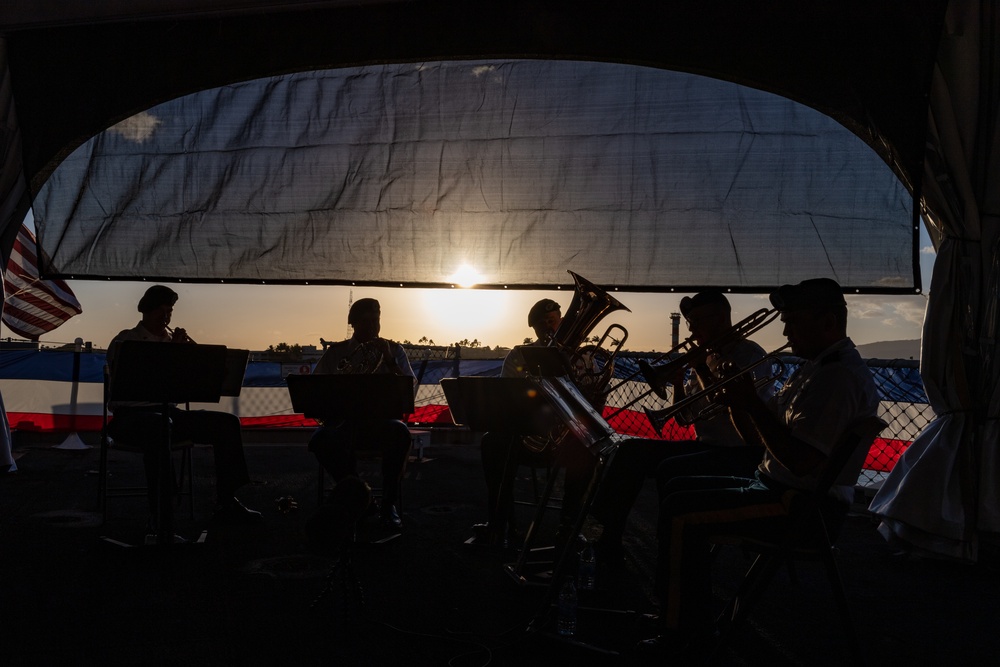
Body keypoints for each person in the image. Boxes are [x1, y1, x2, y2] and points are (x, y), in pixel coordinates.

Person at [636, 278, 879, 657]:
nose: (785, 331)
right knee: (680, 490)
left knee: (679, 512)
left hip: (800, 506)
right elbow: (756, 441)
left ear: (828, 323)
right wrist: (740, 404)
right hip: (779, 487)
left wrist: (750, 403)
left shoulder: (837, 378)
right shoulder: (817, 367)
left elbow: (800, 462)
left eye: (794, 322)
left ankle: (682, 634)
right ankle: (685, 613)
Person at [590, 291, 775, 565]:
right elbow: (683, 417)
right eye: (689, 322)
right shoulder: (707, 357)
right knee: (629, 449)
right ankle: (610, 532)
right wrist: (677, 381)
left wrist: (700, 369)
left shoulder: (750, 354)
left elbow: (735, 410)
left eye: (698, 321)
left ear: (721, 318)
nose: (692, 330)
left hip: (739, 453)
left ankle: (674, 550)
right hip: (706, 447)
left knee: (670, 469)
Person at [107, 285, 261, 543]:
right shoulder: (126, 340)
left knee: (226, 423)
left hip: (168, 414)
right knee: (159, 427)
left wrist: (189, 356)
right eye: (160, 311)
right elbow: (132, 380)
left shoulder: (172, 342)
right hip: (130, 418)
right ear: (145, 311)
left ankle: (227, 501)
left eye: (169, 312)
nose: (166, 318)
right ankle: (161, 517)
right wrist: (172, 356)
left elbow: (188, 387)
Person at [471, 298, 597, 549]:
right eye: (542, 325)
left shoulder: (585, 357)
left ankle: (569, 528)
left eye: (553, 322)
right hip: (528, 439)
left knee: (587, 447)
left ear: (562, 321)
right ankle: (500, 523)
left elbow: (595, 403)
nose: (549, 328)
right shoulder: (519, 355)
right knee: (492, 441)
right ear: (534, 330)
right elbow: (506, 401)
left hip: (569, 440)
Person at [309, 298, 415, 530]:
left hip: (381, 424)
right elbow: (315, 392)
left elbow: (410, 390)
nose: (372, 327)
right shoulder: (336, 354)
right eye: (365, 321)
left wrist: (389, 360)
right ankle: (362, 498)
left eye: (375, 320)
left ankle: (388, 504)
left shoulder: (394, 350)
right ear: (353, 324)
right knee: (319, 440)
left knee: (400, 433)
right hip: (343, 424)